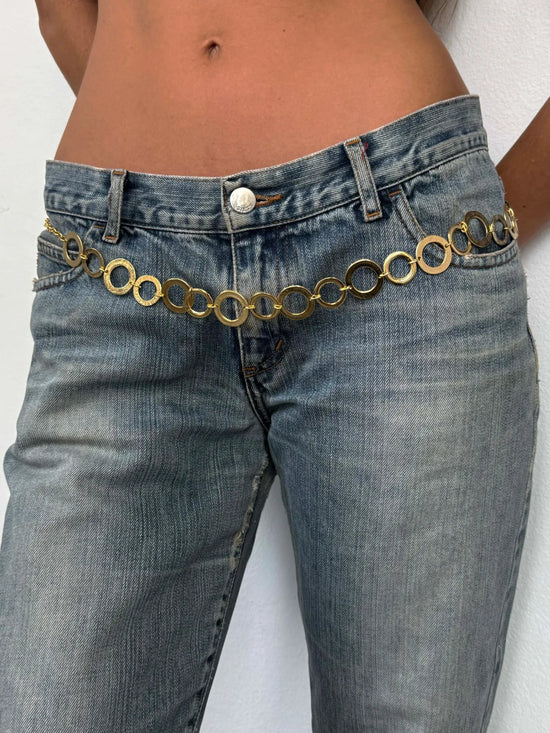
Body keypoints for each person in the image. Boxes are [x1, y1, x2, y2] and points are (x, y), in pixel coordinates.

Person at [0, 0, 546, 730]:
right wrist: (162, 185)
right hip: (121, 281)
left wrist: (467, 230)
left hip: (402, 266)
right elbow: (61, 13)